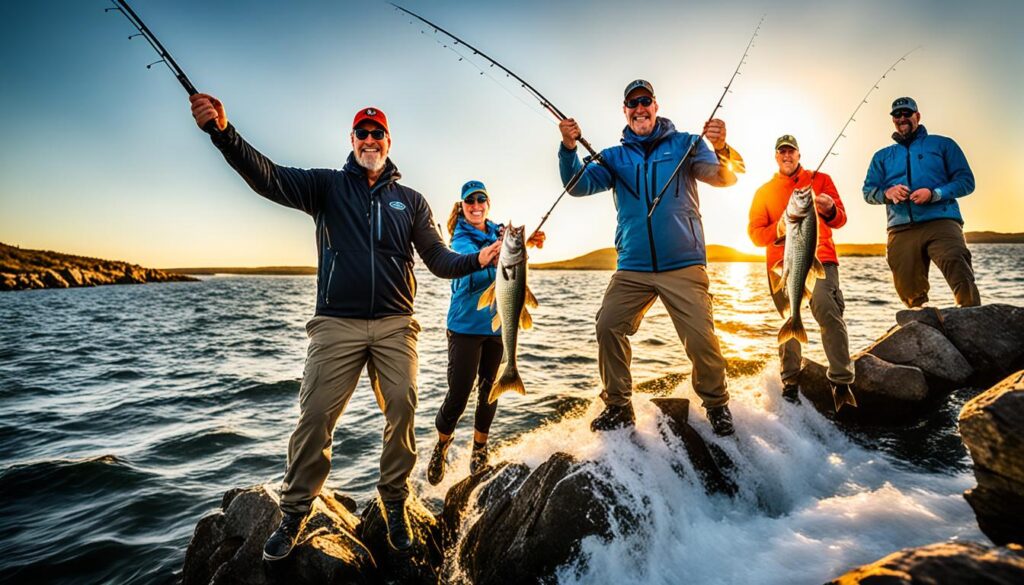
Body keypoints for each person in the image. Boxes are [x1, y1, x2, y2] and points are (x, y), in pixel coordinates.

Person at [189, 94, 501, 561]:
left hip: (396, 324)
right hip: (336, 324)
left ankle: (394, 500)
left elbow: (438, 259)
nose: (370, 140)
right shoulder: (326, 187)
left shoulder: (411, 201)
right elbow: (268, 177)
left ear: (389, 142)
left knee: (402, 406)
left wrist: (478, 258)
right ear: (352, 140)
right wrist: (222, 133)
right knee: (315, 416)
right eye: (362, 133)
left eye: (378, 134)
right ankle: (295, 510)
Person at [557, 79, 745, 436]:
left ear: (656, 105)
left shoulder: (687, 144)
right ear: (625, 111)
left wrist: (721, 147)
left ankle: (717, 404)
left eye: (645, 101)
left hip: (684, 264)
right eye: (632, 103)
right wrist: (568, 148)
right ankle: (618, 406)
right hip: (633, 268)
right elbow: (576, 186)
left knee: (702, 339)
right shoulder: (613, 157)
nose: (639, 108)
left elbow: (724, 179)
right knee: (608, 325)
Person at [427, 180, 545, 485]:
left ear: (488, 203)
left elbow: (510, 263)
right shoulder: (460, 239)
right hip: (465, 327)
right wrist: (501, 251)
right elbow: (475, 267)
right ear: (463, 206)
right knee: (459, 394)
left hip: (496, 327)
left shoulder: (498, 232)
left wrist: (525, 243)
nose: (476, 205)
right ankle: (442, 445)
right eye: (470, 201)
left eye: (481, 199)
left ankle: (479, 448)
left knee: (489, 390)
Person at [748, 135, 855, 406]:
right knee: (789, 316)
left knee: (827, 311)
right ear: (776, 156)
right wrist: (779, 229)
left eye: (791, 151)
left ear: (798, 154)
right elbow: (756, 235)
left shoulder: (821, 180)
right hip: (781, 266)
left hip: (821, 260)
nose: (787, 156)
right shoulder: (763, 192)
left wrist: (830, 208)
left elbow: (841, 218)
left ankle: (841, 381)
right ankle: (790, 380)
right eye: (782, 152)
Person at [863, 97, 980, 308]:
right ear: (893, 120)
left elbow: (966, 181)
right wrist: (888, 193)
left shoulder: (943, 144)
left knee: (958, 265)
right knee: (908, 290)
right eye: (897, 115)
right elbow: (868, 192)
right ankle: (921, 330)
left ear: (917, 116)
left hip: (941, 221)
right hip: (900, 229)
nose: (902, 118)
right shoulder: (882, 156)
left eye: (907, 113)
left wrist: (934, 193)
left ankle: (973, 316)